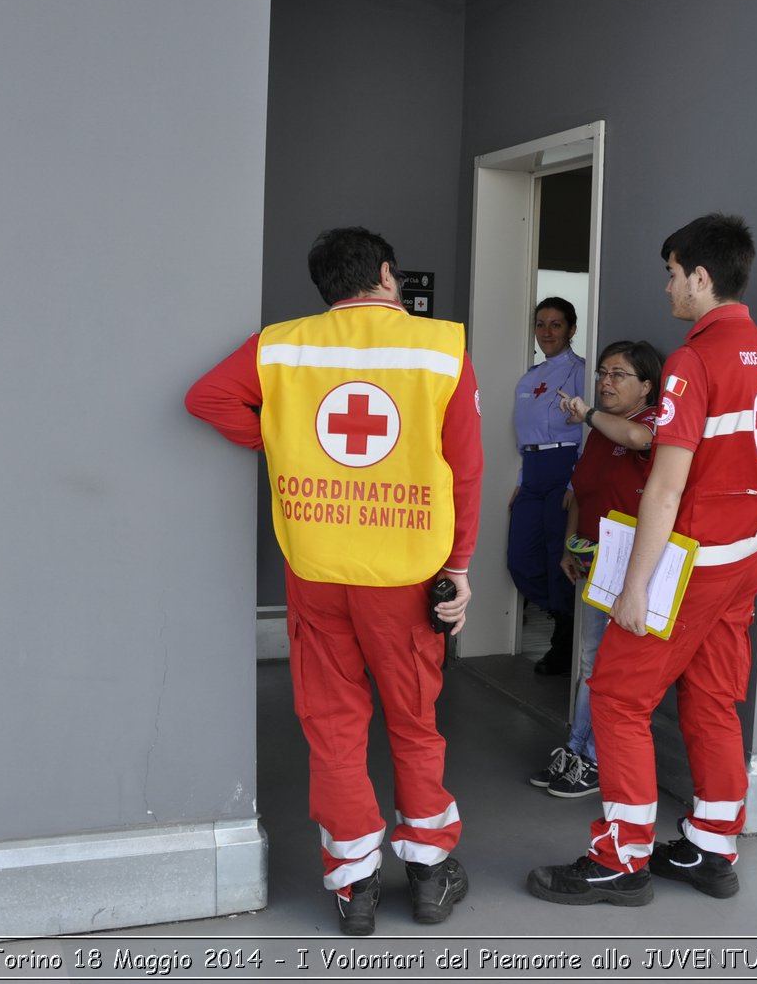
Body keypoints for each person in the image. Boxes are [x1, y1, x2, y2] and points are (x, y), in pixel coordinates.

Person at [185, 227, 482, 937]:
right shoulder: (440, 348)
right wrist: (460, 568)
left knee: (333, 726)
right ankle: (431, 872)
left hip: (316, 570)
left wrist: (278, 438)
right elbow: (464, 470)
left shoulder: (282, 346)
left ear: (328, 287)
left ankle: (354, 885)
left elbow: (206, 399)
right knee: (413, 722)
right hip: (406, 575)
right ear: (386, 273)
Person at [527, 213, 757, 907]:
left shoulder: (696, 360)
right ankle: (712, 843)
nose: (668, 286)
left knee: (615, 693)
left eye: (673, 273)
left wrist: (635, 586)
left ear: (701, 278)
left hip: (695, 560)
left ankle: (622, 856)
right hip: (746, 555)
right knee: (711, 697)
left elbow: (669, 483)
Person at [527, 339, 664, 800]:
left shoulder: (650, 422)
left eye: (618, 374)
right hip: (593, 563)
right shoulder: (599, 433)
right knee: (590, 663)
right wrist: (570, 544)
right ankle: (577, 750)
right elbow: (579, 492)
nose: (605, 381)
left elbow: (639, 440)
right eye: (603, 372)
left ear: (646, 386)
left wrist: (586, 414)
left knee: (609, 669)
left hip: (631, 571)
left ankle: (595, 759)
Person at [508, 297, 584, 675]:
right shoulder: (528, 377)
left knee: (560, 558)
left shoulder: (580, 372)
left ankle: (565, 637)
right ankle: (559, 615)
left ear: (571, 329)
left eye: (556, 324)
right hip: (533, 471)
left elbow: (589, 428)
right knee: (520, 559)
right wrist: (523, 480)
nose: (547, 332)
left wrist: (575, 480)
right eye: (541, 324)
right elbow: (525, 435)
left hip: (563, 466)